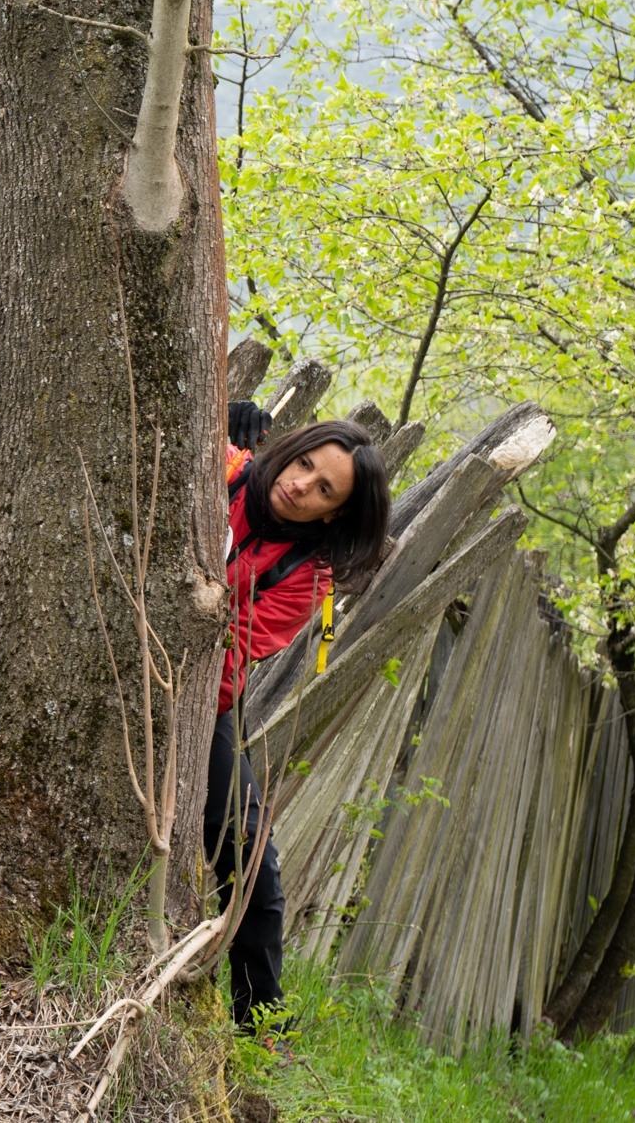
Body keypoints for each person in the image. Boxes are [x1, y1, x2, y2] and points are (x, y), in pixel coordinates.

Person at [209, 401, 390, 1029]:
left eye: (323, 489)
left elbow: (229, 655)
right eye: (305, 463)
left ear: (336, 512)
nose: (300, 484)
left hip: (199, 700)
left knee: (251, 853)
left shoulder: (308, 575)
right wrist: (214, 411)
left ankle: (259, 1022)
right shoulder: (225, 468)